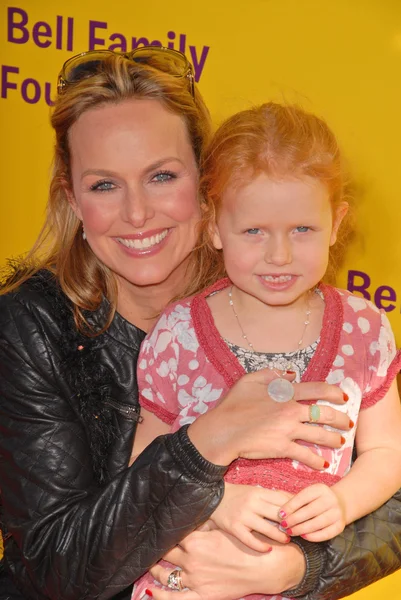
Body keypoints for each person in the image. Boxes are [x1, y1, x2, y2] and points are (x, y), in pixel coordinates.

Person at [0, 50, 399, 600]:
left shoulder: (304, 299)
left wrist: (295, 568)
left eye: (162, 175)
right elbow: (53, 569)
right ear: (74, 200)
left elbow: (388, 481)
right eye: (104, 185)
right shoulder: (30, 327)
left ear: (206, 185)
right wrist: (207, 444)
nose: (137, 214)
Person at [131, 102, 401, 599]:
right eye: (253, 231)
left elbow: (387, 452)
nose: (279, 255)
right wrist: (213, 500)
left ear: (337, 222)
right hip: (185, 583)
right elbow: (145, 462)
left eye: (303, 229)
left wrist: (343, 502)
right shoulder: (177, 333)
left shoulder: (365, 330)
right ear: (213, 226)